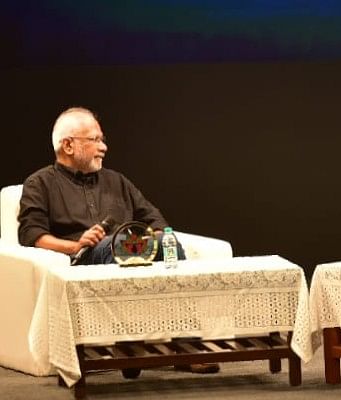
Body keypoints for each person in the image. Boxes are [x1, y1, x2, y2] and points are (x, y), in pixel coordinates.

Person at [17, 106, 219, 374]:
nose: (104, 147)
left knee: (168, 245)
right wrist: (76, 245)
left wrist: (157, 240)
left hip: (129, 249)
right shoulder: (39, 183)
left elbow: (156, 221)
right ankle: (128, 345)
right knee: (115, 245)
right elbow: (32, 235)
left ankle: (185, 345)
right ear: (68, 145)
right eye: (95, 140)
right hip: (83, 261)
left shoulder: (117, 181)